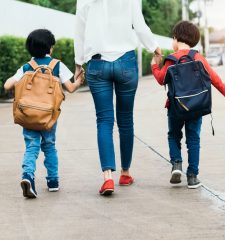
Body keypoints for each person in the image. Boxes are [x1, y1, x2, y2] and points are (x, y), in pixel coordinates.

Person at [74, 0, 161, 195]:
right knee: (125, 119)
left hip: (97, 63)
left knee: (104, 120)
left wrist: (78, 63)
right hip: (126, 62)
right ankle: (125, 173)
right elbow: (139, 24)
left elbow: (79, 31)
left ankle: (107, 178)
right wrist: (154, 46)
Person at [151, 21, 225, 189]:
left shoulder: (171, 59)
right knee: (193, 140)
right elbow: (214, 79)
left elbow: (161, 79)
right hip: (196, 107)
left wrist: (154, 64)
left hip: (175, 107)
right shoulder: (198, 57)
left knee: (173, 135)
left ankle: (176, 164)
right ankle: (192, 177)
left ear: (175, 38)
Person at [4, 29, 84, 198]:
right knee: (49, 146)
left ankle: (28, 176)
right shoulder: (57, 65)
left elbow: (7, 86)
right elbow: (70, 88)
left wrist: (15, 80)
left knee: (31, 147)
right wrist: (78, 81)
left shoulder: (27, 67)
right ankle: (53, 181)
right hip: (48, 117)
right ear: (50, 48)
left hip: (28, 116)